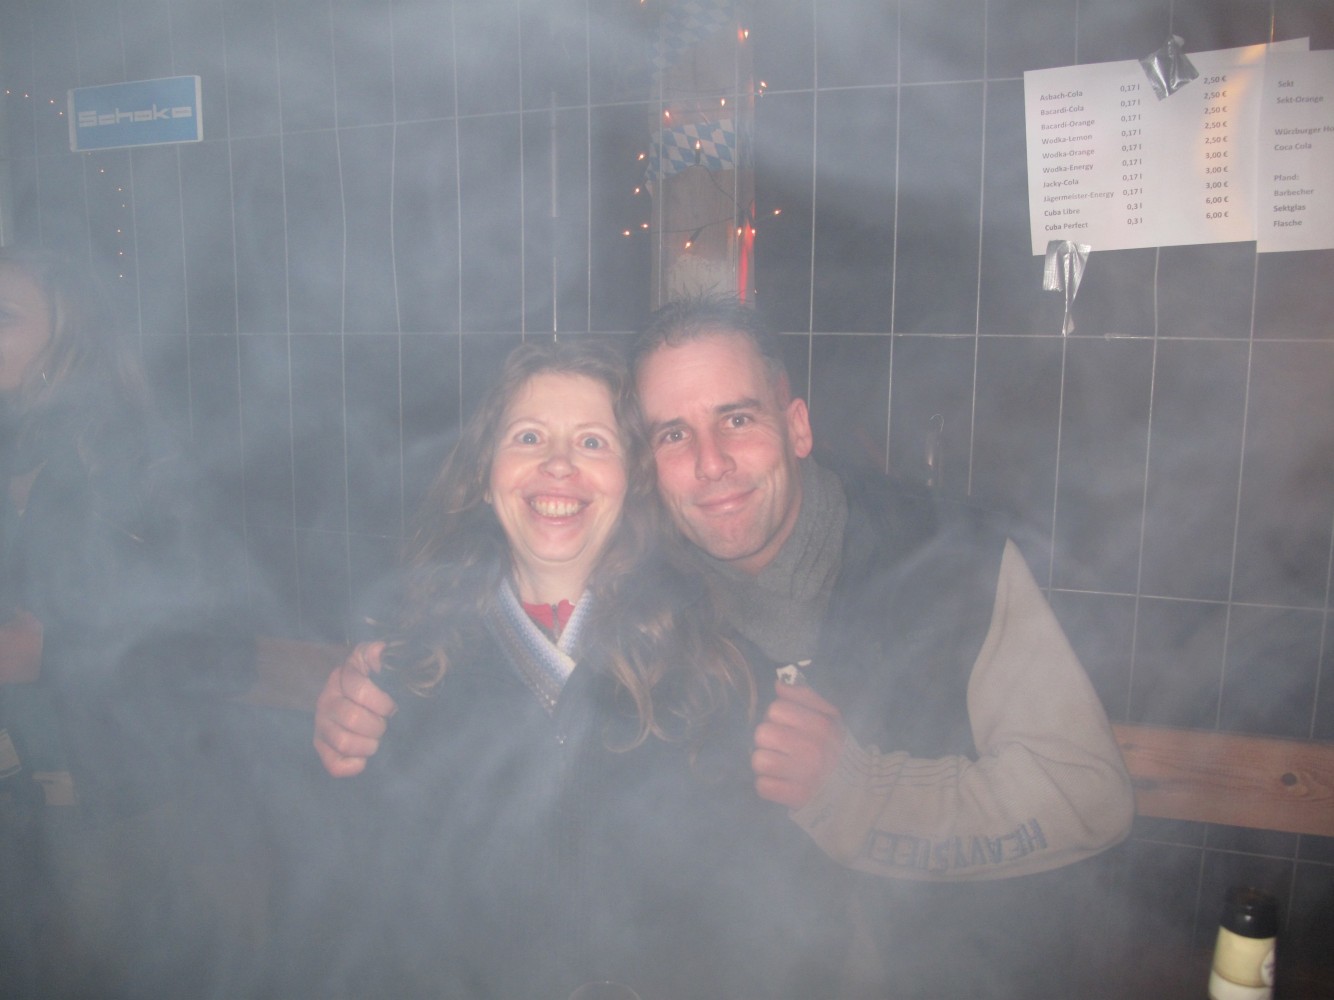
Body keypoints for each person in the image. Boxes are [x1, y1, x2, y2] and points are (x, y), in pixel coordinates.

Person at [315, 296, 1135, 998]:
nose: (711, 464)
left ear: (796, 425)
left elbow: (1089, 797)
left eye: (737, 419)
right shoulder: (658, 604)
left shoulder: (953, 562)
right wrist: (379, 683)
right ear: (648, 469)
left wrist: (862, 794)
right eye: (673, 434)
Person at [302, 339, 847, 1000]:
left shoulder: (720, 674)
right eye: (529, 437)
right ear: (485, 473)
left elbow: (775, 924)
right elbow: (361, 923)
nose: (558, 463)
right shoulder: (402, 681)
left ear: (633, 482)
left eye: (592, 442)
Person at [0, 246, 258, 997]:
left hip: (136, 803)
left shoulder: (130, 458)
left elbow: (221, 646)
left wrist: (46, 651)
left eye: (4, 317)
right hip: (30, 801)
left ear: (68, 335)